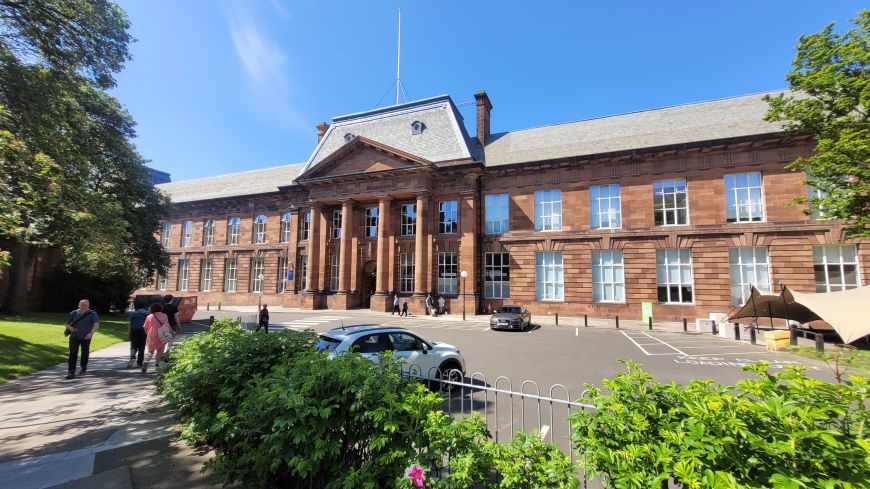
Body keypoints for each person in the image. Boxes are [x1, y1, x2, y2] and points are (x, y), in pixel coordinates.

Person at [65, 299, 100, 380]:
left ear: (88, 306)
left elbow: (96, 325)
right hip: (74, 336)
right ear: (78, 305)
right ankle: (71, 371)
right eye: (81, 305)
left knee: (85, 352)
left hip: (86, 336)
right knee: (73, 353)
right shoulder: (73, 313)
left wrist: (91, 333)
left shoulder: (93, 314)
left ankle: (83, 367)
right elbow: (66, 323)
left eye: (85, 305)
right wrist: (70, 327)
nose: (83, 306)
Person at [142, 303, 170, 373]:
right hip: (162, 334)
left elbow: (145, 327)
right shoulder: (164, 316)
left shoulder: (149, 316)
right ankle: (156, 365)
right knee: (160, 351)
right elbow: (167, 325)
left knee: (150, 352)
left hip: (151, 334)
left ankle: (146, 361)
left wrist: (147, 333)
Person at [127, 300, 148, 369]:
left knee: (133, 345)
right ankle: (139, 362)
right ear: (144, 306)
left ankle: (132, 357)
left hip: (134, 330)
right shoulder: (146, 314)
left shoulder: (132, 314)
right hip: (143, 331)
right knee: (142, 347)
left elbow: (130, 324)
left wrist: (129, 331)